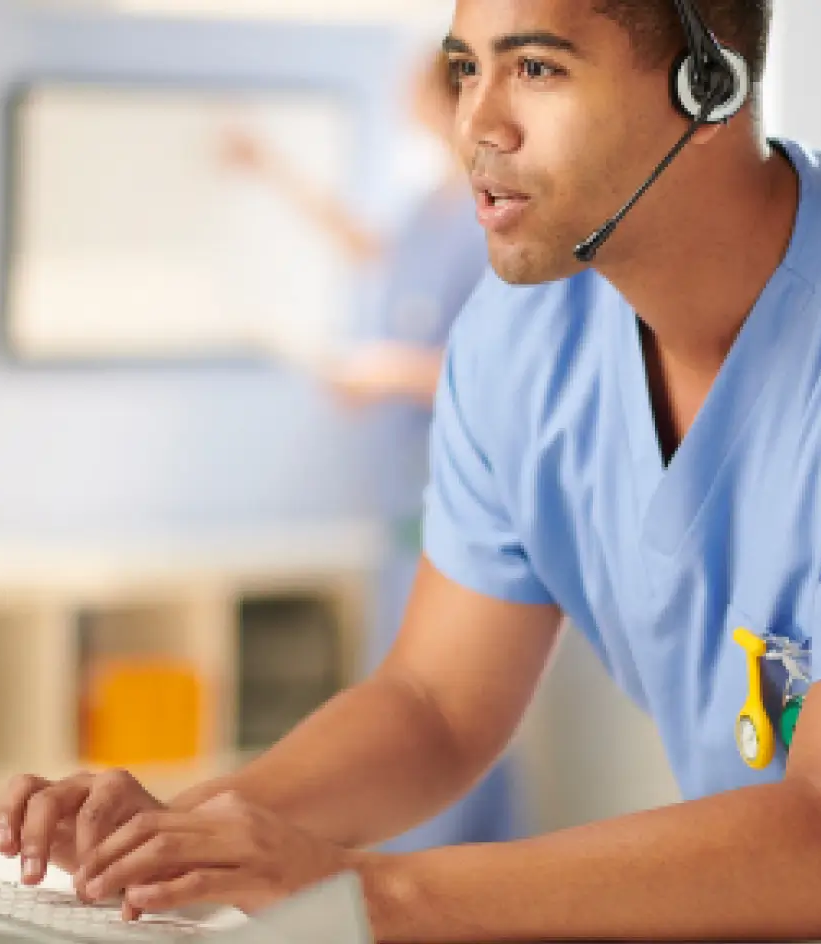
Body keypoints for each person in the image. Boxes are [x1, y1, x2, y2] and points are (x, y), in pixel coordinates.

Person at [0, 2, 821, 940]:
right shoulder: (516, 341)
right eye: (465, 67)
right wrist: (179, 834)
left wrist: (365, 892)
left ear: (709, 89)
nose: (475, 123)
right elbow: (435, 706)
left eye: (536, 69)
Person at [215, 46, 525, 855]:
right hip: (406, 500)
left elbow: (513, 370)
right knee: (424, 694)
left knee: (447, 702)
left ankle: (440, 874)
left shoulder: (495, 215)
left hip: (454, 496)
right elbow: (371, 246)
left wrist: (388, 371)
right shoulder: (431, 207)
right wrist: (273, 172)